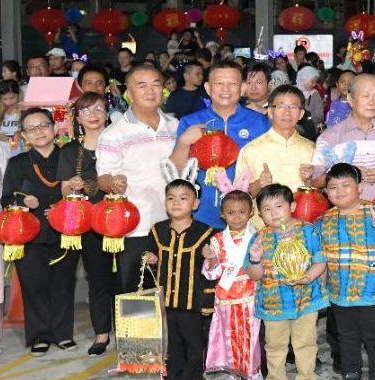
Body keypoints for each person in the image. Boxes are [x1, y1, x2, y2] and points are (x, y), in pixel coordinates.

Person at [317, 163, 375, 380]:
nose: (339, 191)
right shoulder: (323, 221)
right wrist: (322, 288)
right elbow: (321, 258)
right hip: (341, 292)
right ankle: (351, 373)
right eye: (333, 187)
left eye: (346, 185)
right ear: (326, 192)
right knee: (347, 337)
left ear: (360, 187)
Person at [2, 109, 79, 357]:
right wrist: (24, 200)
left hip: (65, 231)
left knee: (63, 284)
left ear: (55, 128)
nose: (39, 132)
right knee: (34, 285)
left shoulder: (70, 158)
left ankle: (63, 333)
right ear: (24, 135)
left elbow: (81, 192)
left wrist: (63, 206)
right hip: (29, 235)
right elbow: (6, 199)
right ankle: (40, 335)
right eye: (32, 129)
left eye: (43, 125)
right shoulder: (18, 163)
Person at [97, 64, 177, 299]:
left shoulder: (175, 126)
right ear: (128, 93)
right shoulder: (114, 133)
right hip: (135, 227)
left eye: (156, 84)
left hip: (174, 223)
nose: (150, 91)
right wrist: (114, 183)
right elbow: (102, 178)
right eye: (141, 85)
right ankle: (135, 338)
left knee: (172, 291)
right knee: (137, 295)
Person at [247, 184, 328, 380]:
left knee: (305, 342)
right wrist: (255, 259)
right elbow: (254, 275)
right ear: (260, 214)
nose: (273, 212)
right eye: (266, 209)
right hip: (273, 303)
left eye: (279, 206)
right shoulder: (259, 239)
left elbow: (320, 261)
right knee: (274, 345)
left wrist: (308, 277)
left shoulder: (308, 230)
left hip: (306, 300)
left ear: (292, 206)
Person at [170, 61, 271, 229]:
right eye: (219, 83)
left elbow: (267, 167)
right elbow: (177, 172)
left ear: (243, 88)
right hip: (200, 216)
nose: (226, 89)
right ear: (208, 88)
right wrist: (184, 142)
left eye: (232, 84)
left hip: (246, 217)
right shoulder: (190, 122)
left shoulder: (259, 122)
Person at [54, 93, 114, 356]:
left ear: (107, 112)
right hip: (89, 224)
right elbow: (64, 190)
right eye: (86, 110)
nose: (93, 114)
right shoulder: (69, 150)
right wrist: (72, 186)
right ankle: (102, 333)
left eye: (99, 108)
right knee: (98, 278)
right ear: (78, 117)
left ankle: (134, 331)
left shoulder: (119, 143)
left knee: (128, 279)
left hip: (122, 220)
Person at [147, 179, 217, 380]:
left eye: (183, 198)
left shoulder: (206, 232)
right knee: (173, 342)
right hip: (166, 298)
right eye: (171, 198)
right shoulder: (157, 230)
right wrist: (149, 259)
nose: (176, 202)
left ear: (195, 204)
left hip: (192, 299)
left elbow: (212, 270)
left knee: (193, 342)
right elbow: (149, 260)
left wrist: (211, 259)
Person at [201, 190, 264, 380]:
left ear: (251, 212)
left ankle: (253, 375)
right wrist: (210, 259)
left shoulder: (258, 237)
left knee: (249, 338)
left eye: (242, 212)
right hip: (225, 298)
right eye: (230, 212)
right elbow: (213, 273)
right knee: (227, 337)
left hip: (249, 296)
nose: (236, 217)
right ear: (222, 214)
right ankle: (232, 376)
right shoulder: (217, 240)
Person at [309, 74, 375, 201]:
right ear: (350, 99)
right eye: (366, 96)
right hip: (345, 215)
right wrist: (348, 172)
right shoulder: (329, 137)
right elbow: (316, 180)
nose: (372, 102)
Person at [239, 85, 316, 198]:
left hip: (301, 215)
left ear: (301, 114)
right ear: (270, 111)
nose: (287, 112)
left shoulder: (312, 149)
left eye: (293, 107)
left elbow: (322, 192)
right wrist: (258, 184)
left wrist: (309, 181)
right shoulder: (250, 150)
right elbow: (239, 196)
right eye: (281, 107)